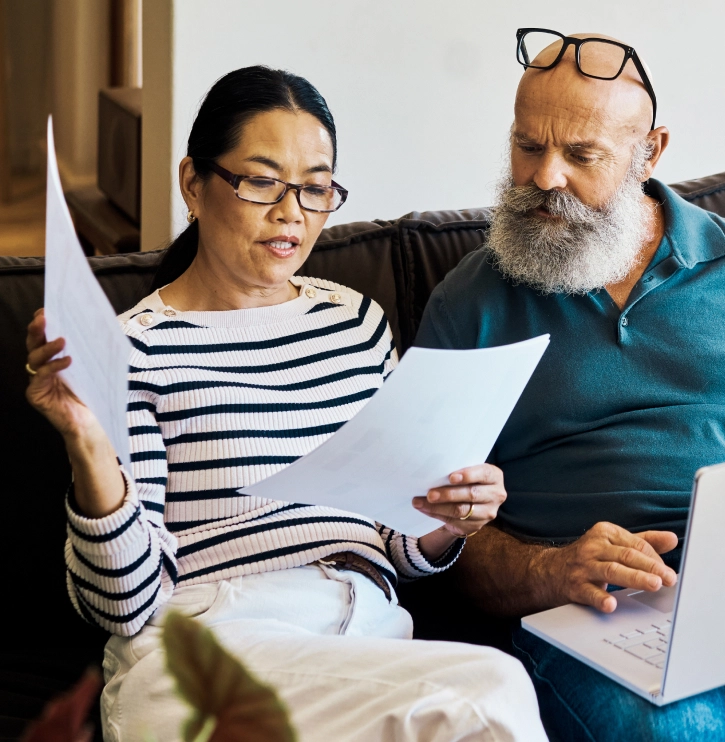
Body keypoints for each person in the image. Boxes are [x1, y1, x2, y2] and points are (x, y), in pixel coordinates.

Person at [25, 66, 546, 742]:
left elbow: (398, 544)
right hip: (210, 645)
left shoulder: (356, 324)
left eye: (315, 186)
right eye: (262, 181)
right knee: (492, 691)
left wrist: (449, 520)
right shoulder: (135, 348)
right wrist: (88, 447)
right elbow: (124, 604)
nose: (291, 211)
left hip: (366, 638)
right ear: (194, 183)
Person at [415, 30, 725, 741]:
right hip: (594, 614)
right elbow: (431, 537)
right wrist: (550, 569)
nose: (545, 177)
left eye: (580, 155)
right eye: (528, 146)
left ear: (650, 152)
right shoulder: (472, 302)